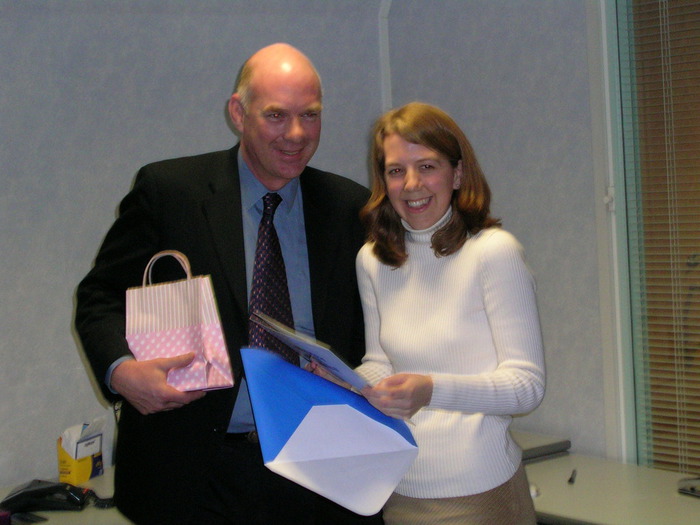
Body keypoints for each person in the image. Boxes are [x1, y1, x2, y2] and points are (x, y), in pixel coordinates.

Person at [74, 43, 381, 525]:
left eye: (311, 115)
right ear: (238, 113)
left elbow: (373, 332)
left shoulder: (349, 208)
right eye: (276, 115)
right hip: (195, 475)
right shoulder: (170, 193)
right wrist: (122, 373)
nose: (296, 134)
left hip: (320, 467)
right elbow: (99, 298)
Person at [355, 102, 545, 524]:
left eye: (427, 166)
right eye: (396, 170)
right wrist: (344, 382)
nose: (411, 184)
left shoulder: (493, 253)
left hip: (479, 492)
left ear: (457, 174)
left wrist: (430, 390)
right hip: (399, 485)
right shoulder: (372, 259)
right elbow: (381, 363)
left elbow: (527, 386)